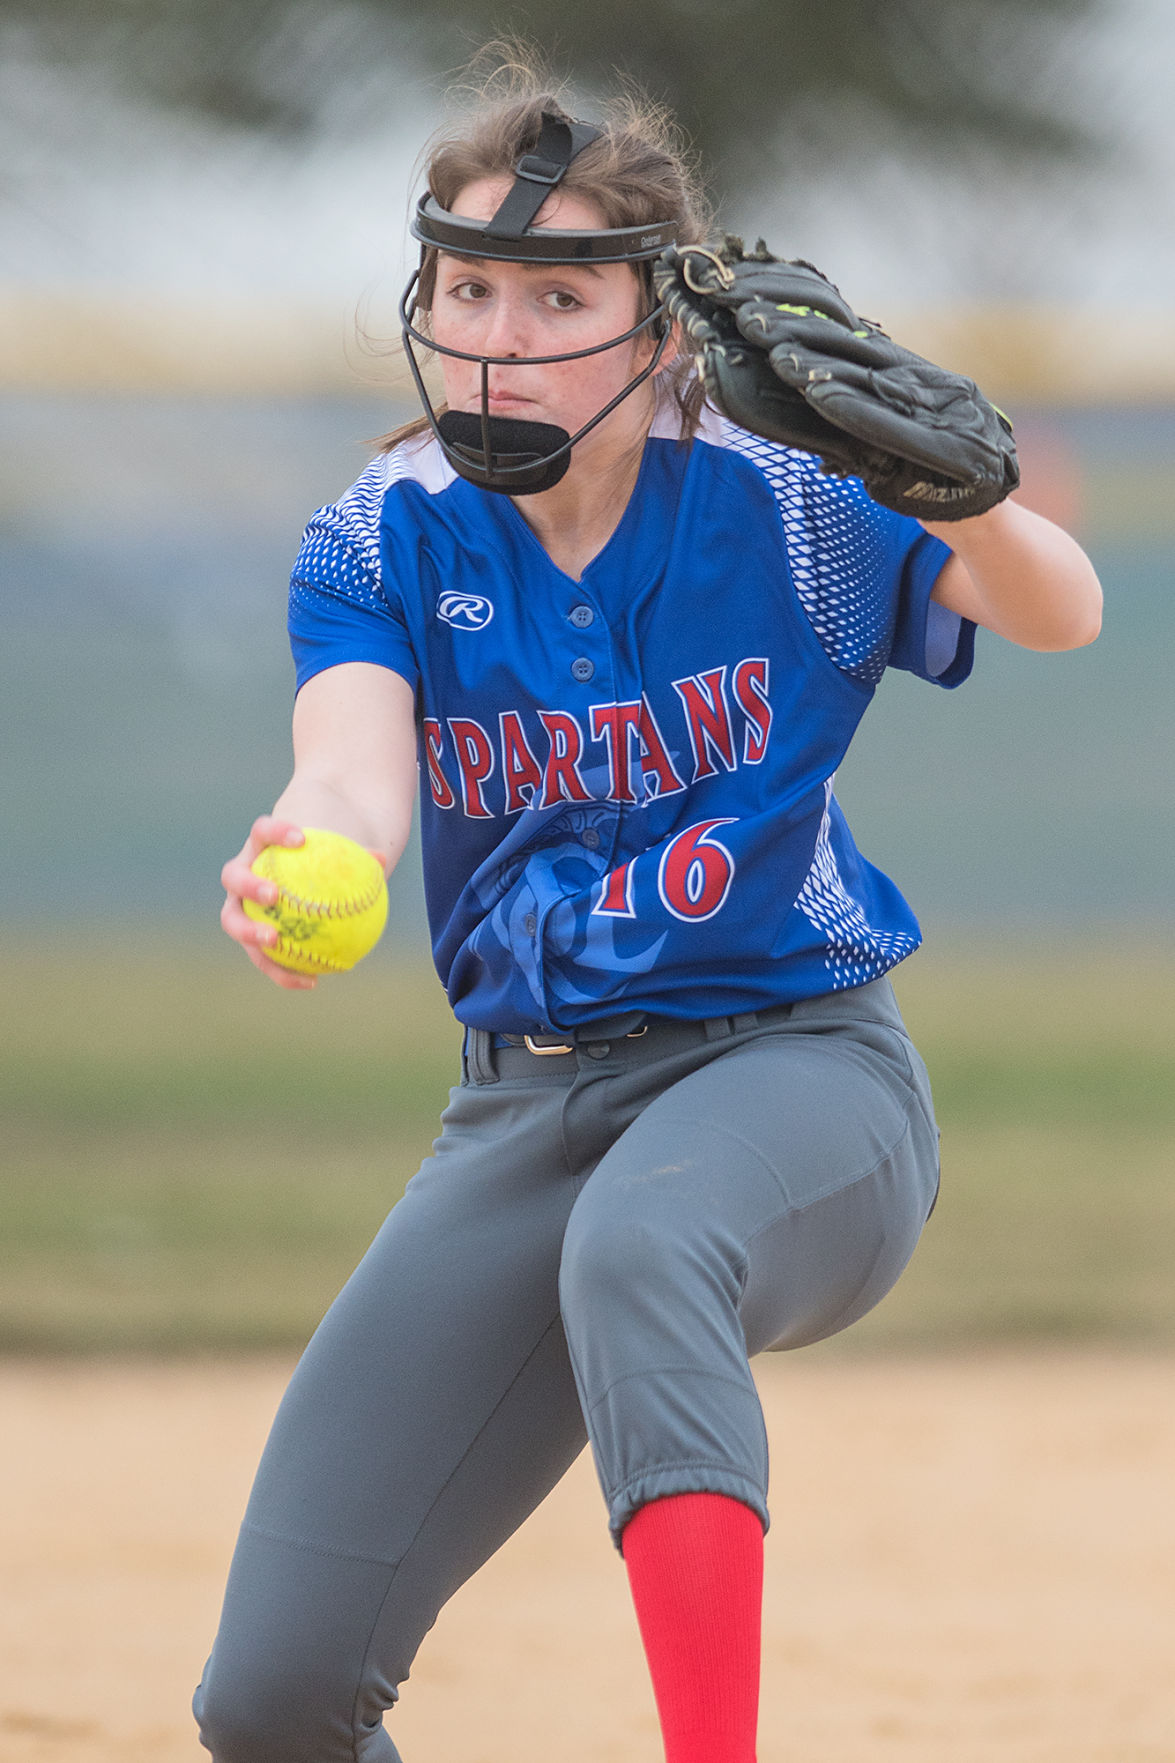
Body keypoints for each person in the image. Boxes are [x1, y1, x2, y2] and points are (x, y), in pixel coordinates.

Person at [195, 65, 1102, 1763]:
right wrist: (305, 843)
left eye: (560, 295)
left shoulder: (793, 500)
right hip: (521, 1105)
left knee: (646, 1241)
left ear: (659, 322)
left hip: (799, 1071)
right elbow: (350, 774)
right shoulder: (382, 533)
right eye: (471, 289)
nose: (503, 334)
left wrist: (961, 488)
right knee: (274, 1700)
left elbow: (1064, 610)